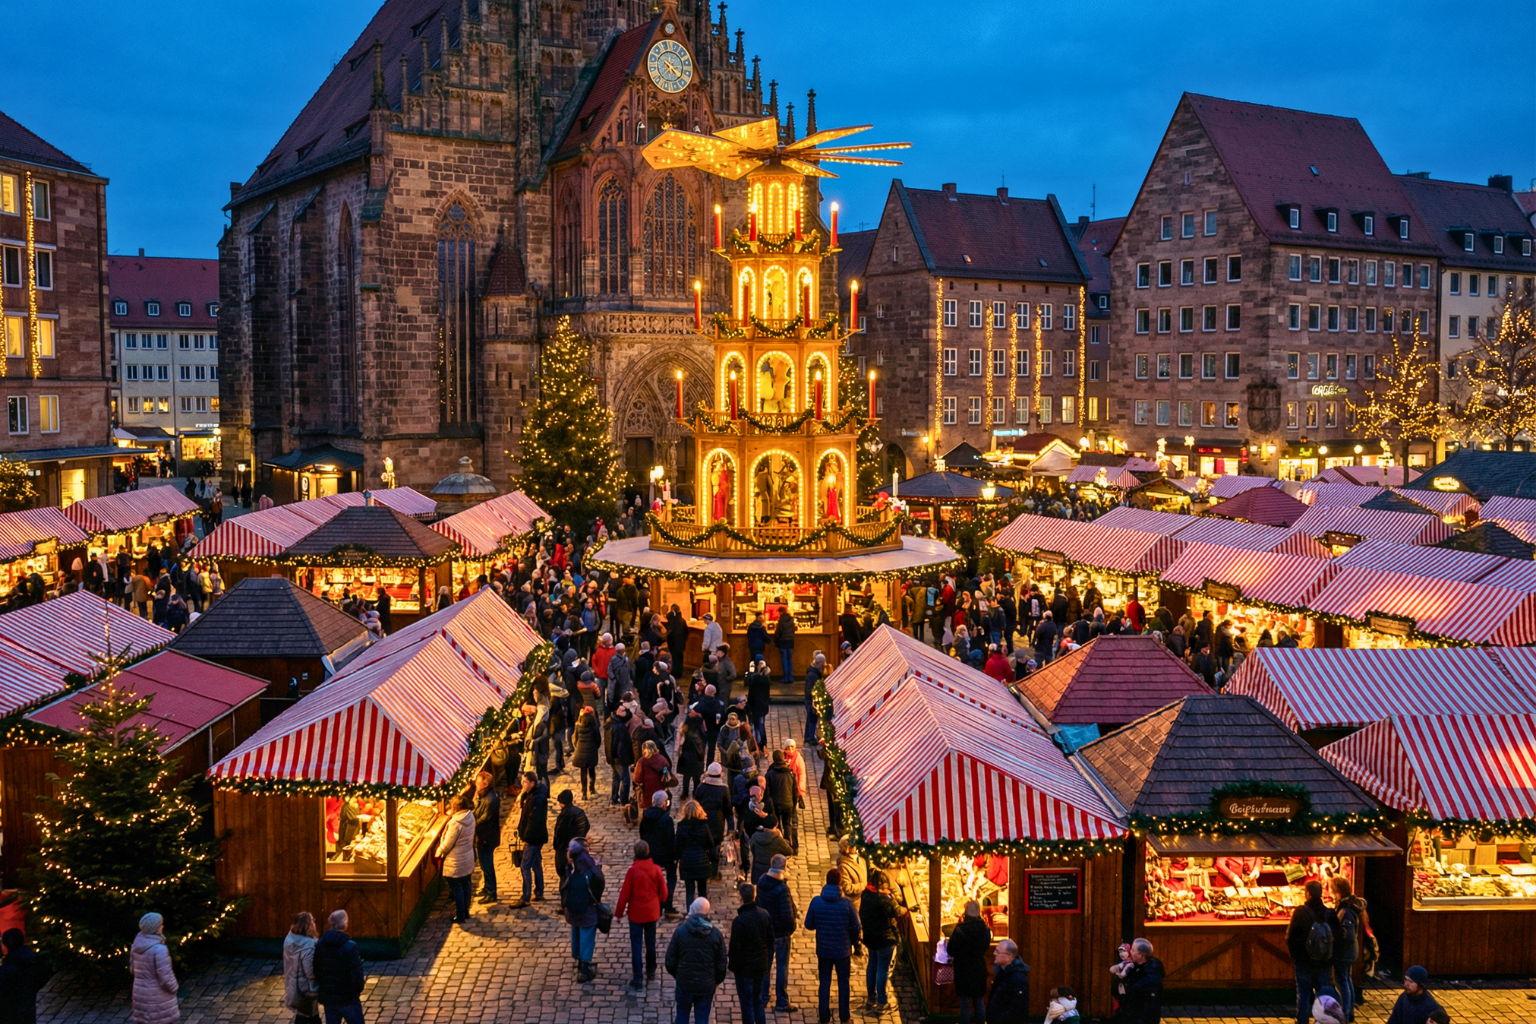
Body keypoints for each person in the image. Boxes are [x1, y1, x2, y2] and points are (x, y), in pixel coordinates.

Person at [803, 868, 861, 1024]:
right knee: (843, 983)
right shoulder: (847, 903)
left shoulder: (816, 901)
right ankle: (844, 1017)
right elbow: (856, 926)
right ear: (840, 882)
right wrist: (854, 941)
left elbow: (808, 924)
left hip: (824, 949)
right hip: (842, 951)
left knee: (824, 982)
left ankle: (824, 1017)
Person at [666, 897, 728, 1024]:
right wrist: (716, 981)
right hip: (705, 985)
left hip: (685, 984)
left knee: (682, 1015)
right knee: (702, 1018)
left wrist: (678, 975)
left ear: (692, 910)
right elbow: (722, 964)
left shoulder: (681, 932)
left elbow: (670, 961)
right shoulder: (715, 934)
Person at [615, 839, 667, 990]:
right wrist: (662, 901)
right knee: (650, 943)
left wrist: (619, 913)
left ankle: (638, 977)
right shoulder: (656, 869)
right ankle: (651, 970)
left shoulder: (633, 871)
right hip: (651, 913)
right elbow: (664, 891)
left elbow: (624, 894)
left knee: (636, 945)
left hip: (636, 914)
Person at [1287, 879, 1339, 1024]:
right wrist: (1330, 959)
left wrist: (1296, 958)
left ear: (1307, 894)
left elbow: (1290, 937)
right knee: (1322, 994)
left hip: (1304, 962)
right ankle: (1323, 1020)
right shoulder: (1330, 913)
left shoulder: (1300, 912)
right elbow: (1339, 937)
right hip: (1324, 963)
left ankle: (1302, 1021)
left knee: (1303, 994)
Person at [729, 882, 775, 1024]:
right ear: (754, 896)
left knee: (747, 1004)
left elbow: (734, 948)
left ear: (741, 898)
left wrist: (733, 966)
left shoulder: (739, 921)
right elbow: (770, 939)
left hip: (745, 969)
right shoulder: (764, 914)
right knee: (758, 1000)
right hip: (760, 965)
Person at [858, 869, 903, 1014]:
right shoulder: (883, 899)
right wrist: (891, 897)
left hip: (870, 937)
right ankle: (882, 1003)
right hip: (885, 938)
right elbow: (895, 911)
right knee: (882, 969)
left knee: (872, 965)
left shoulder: (866, 894)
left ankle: (871, 998)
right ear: (881, 885)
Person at [561, 836, 605, 983]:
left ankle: (579, 960)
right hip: (587, 907)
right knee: (587, 934)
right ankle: (584, 969)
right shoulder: (589, 865)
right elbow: (599, 882)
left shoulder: (569, 865)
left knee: (576, 932)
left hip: (572, 908)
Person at [758, 854, 798, 1014]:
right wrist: (791, 928)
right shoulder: (782, 889)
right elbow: (787, 915)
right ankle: (781, 1001)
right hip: (781, 933)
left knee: (766, 966)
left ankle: (763, 996)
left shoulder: (761, 881)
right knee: (782, 967)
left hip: (766, 931)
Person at [312, 910, 366, 1024]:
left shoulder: (321, 944)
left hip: (329, 998)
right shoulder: (350, 947)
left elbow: (317, 969)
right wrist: (356, 991)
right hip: (348, 998)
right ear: (345, 924)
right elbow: (357, 974)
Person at [1330, 874, 1369, 1023]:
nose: (1331, 892)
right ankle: (1350, 1011)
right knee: (1347, 980)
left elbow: (1348, 935)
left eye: (1332, 889)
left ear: (1338, 890)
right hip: (1350, 951)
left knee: (1342, 982)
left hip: (1344, 953)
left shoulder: (1346, 910)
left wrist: (1335, 939)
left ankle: (1345, 1013)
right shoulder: (1351, 905)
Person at [947, 900, 992, 1024]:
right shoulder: (985, 930)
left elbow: (951, 950)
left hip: (963, 968)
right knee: (979, 1000)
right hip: (979, 967)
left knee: (964, 1001)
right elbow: (985, 946)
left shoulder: (959, 930)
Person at [130, 912, 179, 1024]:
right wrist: (174, 987)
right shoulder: (159, 949)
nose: (162, 926)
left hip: (140, 994)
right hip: (158, 998)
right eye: (160, 924)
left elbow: (132, 969)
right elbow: (165, 977)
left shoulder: (136, 945)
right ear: (155, 928)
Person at [436, 793, 476, 924]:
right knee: (466, 884)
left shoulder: (455, 823)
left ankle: (460, 915)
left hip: (456, 860)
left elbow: (448, 843)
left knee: (456, 887)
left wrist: (439, 852)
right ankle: (466, 912)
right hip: (467, 857)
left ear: (455, 807)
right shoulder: (470, 816)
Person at [510, 772, 548, 909]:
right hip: (536, 837)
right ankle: (539, 891)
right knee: (536, 863)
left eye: (525, 782)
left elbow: (533, 822)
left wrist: (526, 837)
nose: (522, 784)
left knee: (525, 865)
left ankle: (525, 897)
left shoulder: (536, 799)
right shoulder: (531, 795)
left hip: (533, 838)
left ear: (532, 783)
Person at [640, 790, 679, 917]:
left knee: (653, 879)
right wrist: (674, 856)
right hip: (665, 854)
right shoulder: (666, 819)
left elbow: (642, 834)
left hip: (650, 854)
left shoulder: (646, 816)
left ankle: (656, 904)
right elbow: (670, 838)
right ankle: (667, 905)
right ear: (664, 804)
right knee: (671, 877)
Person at [552, 788, 590, 907]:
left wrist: (557, 846)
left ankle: (565, 904)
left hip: (565, 850)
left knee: (564, 876)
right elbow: (586, 826)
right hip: (578, 847)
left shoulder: (564, 815)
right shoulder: (579, 812)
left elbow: (559, 834)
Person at [676, 798, 718, 908]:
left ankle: (690, 913)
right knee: (702, 890)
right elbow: (710, 844)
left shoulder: (681, 826)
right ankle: (702, 912)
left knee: (689, 890)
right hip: (701, 861)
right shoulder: (704, 826)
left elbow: (678, 845)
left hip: (687, 861)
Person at [282, 912, 321, 1024]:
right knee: (310, 1016)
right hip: (306, 987)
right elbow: (309, 971)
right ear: (308, 925)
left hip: (293, 984)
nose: (314, 923)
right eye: (312, 921)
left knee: (304, 1014)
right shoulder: (308, 944)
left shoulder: (289, 938)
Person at [1115, 938, 1164, 1024]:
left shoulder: (1151, 980)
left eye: (1133, 950)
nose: (1130, 952)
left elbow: (1150, 1011)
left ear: (1141, 955)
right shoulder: (1136, 967)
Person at [986, 940, 1033, 1024]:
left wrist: (997, 1019)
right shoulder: (1002, 973)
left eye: (998, 951)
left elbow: (1019, 1009)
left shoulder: (1018, 978)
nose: (994, 953)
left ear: (1009, 956)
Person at [471, 771, 501, 904]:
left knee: (487, 865)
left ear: (486, 783)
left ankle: (491, 892)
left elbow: (485, 819)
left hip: (486, 838)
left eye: (478, 782)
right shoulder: (481, 795)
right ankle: (486, 888)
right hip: (482, 837)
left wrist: (471, 822)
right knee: (484, 865)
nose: (476, 784)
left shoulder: (491, 800)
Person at [1384, 966, 1449, 1024]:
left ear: (1421, 985)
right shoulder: (1403, 998)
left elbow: (1442, 1017)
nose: (1405, 984)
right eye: (1405, 980)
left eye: (1410, 982)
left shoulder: (1431, 1006)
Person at [748, 822, 793, 886]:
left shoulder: (754, 836)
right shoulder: (778, 839)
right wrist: (781, 838)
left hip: (757, 869)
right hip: (774, 872)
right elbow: (789, 851)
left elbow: (752, 848)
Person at [571, 706, 601, 799]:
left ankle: (584, 793)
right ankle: (591, 788)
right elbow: (598, 739)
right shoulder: (594, 724)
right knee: (592, 769)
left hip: (581, 750)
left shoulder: (578, 724)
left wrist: (577, 746)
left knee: (583, 771)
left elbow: (575, 739)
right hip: (591, 750)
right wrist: (595, 747)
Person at [773, 609, 797, 686]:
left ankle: (785, 678)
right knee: (789, 659)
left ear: (780, 612)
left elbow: (778, 632)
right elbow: (794, 630)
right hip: (790, 641)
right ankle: (791, 677)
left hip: (783, 641)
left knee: (784, 659)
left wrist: (776, 639)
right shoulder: (791, 620)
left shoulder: (781, 621)